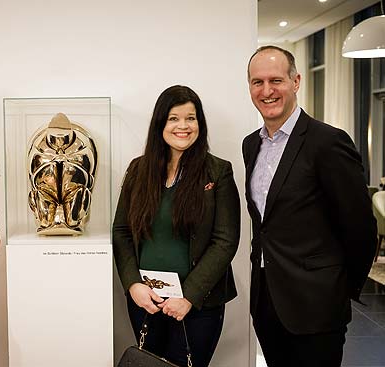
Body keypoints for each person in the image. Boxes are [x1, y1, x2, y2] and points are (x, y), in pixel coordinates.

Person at [243, 45, 377, 367]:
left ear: (296, 81)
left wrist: (336, 290)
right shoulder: (251, 144)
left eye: (276, 80)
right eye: (257, 82)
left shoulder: (328, 142)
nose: (267, 90)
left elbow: (360, 229)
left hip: (317, 307)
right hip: (266, 300)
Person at [113, 85, 240, 367]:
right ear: (161, 123)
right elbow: (121, 231)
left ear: (200, 123)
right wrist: (133, 284)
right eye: (173, 118)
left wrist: (188, 296)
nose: (183, 126)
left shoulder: (218, 171)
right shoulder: (138, 170)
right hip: (147, 302)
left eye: (191, 118)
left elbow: (225, 240)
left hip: (197, 305)